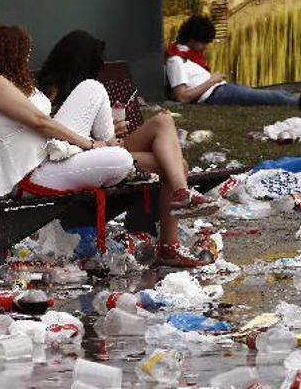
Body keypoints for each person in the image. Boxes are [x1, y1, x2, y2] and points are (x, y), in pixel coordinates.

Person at [0, 25, 208, 268]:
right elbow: (40, 122)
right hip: (32, 174)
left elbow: (45, 123)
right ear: (7, 52)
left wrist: (104, 137)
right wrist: (91, 144)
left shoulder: (10, 84)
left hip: (54, 153)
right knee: (132, 161)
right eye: (24, 52)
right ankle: (172, 216)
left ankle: (179, 198)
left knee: (96, 89)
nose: (27, 58)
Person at [36, 29, 211, 267]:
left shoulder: (84, 88)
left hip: (101, 149)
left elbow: (102, 135)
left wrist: (114, 127)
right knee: (177, 166)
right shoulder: (49, 92)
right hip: (81, 159)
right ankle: (170, 244)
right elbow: (56, 139)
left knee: (163, 121)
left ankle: (181, 193)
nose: (97, 73)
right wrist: (99, 138)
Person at [165, 15, 298, 106]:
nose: (206, 47)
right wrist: (212, 81)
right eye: (204, 42)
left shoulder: (186, 54)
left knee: (279, 93)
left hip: (223, 88)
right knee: (274, 98)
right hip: (216, 94)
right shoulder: (176, 60)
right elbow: (182, 97)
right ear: (192, 40)